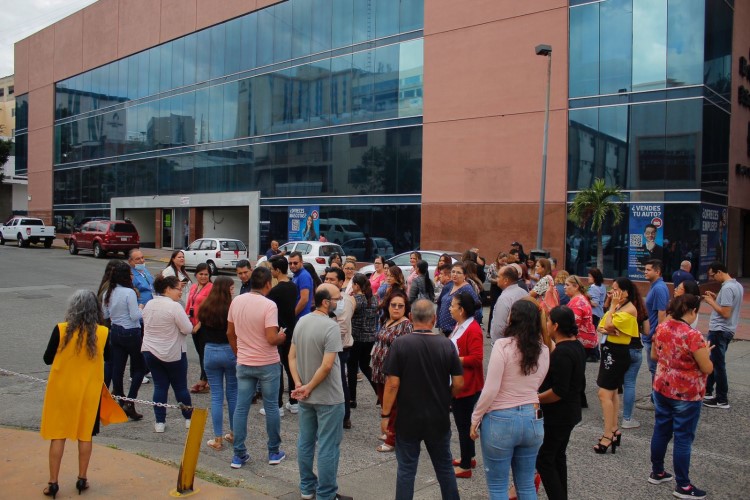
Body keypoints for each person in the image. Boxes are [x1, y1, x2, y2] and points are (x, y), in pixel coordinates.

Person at [381, 299, 464, 500]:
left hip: (408, 417)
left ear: (410, 317)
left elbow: (392, 384)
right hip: (438, 416)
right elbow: (459, 383)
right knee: (444, 467)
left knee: (406, 469)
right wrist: (446, 396)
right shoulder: (446, 345)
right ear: (434, 319)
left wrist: (385, 415)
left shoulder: (400, 344)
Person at [470, 300, 550, 499]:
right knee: (526, 485)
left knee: (498, 486)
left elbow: (491, 389)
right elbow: (538, 383)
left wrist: (476, 417)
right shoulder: (544, 350)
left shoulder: (503, 346)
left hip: (501, 418)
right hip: (532, 417)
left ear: (514, 318)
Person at [40, 290, 111, 498]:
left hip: (61, 391)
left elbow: (47, 358)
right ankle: (82, 478)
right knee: (85, 435)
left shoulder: (61, 329)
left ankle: (53, 482)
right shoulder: (103, 332)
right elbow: (108, 357)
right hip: (89, 392)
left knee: (58, 435)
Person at [289, 283, 352, 500]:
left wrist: (300, 384)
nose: (340, 301)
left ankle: (307, 488)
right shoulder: (330, 327)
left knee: (306, 442)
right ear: (326, 302)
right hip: (328, 397)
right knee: (328, 447)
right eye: (337, 298)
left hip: (306, 396)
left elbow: (291, 356)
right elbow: (327, 366)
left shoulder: (302, 321)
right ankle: (326, 493)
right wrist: (307, 386)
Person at [650, 294, 713, 499]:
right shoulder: (693, 335)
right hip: (686, 393)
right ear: (693, 311)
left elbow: (654, 355)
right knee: (683, 438)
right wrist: (706, 353)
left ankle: (657, 471)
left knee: (661, 430)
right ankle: (683, 485)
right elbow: (707, 368)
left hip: (662, 386)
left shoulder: (662, 327)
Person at [227, 267, 287, 469]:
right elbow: (271, 338)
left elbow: (230, 333)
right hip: (267, 362)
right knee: (271, 407)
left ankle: (239, 454)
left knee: (241, 408)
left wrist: (238, 352)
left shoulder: (237, 301)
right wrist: (281, 336)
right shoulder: (269, 305)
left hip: (245, 361)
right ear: (268, 284)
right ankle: (273, 451)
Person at [536, 306, 587, 500]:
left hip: (559, 415)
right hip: (569, 412)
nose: (547, 325)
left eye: (548, 321)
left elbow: (559, 391)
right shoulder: (576, 346)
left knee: (544, 460)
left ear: (556, 326)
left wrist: (535, 398)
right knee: (557, 456)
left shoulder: (563, 353)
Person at [141, 275, 194, 432]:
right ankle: (188, 418)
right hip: (173, 352)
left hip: (150, 350)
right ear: (168, 289)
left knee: (160, 386)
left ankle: (160, 422)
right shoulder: (174, 307)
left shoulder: (149, 304)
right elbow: (187, 328)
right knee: (180, 387)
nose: (180, 292)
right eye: (178, 289)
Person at [595, 277, 641, 453]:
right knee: (612, 392)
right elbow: (602, 326)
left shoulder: (629, 309)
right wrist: (609, 324)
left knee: (603, 393)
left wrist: (612, 309)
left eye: (615, 289)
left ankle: (608, 434)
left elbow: (608, 324)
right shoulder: (620, 307)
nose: (612, 293)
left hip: (617, 354)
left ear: (625, 292)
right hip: (610, 350)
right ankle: (613, 430)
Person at [197, 276, 238, 450]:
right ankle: (234, 433)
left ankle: (217, 438)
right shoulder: (232, 307)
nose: (233, 291)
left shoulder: (205, 306)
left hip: (210, 351)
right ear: (226, 289)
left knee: (216, 396)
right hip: (229, 350)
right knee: (233, 394)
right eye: (231, 288)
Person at [102, 261, 145, 421]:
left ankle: (120, 397)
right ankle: (130, 400)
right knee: (140, 368)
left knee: (118, 367)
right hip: (131, 332)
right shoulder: (129, 292)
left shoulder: (108, 292)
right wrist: (141, 308)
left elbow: (105, 314)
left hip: (115, 331)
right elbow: (135, 316)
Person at [371, 290, 413, 453]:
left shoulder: (406, 325)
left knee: (394, 407)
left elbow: (407, 351)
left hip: (393, 373)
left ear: (405, 308)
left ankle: (392, 439)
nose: (396, 308)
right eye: (393, 305)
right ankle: (388, 431)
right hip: (379, 371)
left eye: (400, 306)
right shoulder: (387, 320)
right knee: (385, 404)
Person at [448, 292, 484, 479]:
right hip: (460, 381)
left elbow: (477, 358)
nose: (450, 308)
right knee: (464, 423)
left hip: (467, 384)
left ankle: (465, 466)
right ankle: (468, 457)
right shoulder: (460, 325)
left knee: (463, 425)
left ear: (461, 310)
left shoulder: (473, 329)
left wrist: (454, 359)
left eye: (453, 305)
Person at [702, 261, 744, 409]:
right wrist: (716, 298)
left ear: (719, 272)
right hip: (727, 329)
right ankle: (707, 391)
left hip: (720, 329)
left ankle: (722, 399)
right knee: (714, 361)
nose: (713, 279)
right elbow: (728, 305)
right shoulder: (737, 285)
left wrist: (711, 302)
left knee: (718, 365)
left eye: (713, 275)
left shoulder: (727, 288)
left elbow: (725, 313)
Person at [323, 266, 355, 429]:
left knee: (340, 382)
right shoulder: (326, 299)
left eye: (332, 279)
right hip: (328, 346)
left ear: (341, 282)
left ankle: (344, 417)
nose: (328, 282)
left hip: (339, 348)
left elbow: (341, 328)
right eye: (326, 279)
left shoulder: (344, 301)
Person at [268, 256, 300, 415]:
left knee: (277, 368)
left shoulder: (275, 291)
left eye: (272, 269)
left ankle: (278, 404)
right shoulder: (293, 287)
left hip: (279, 331)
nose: (271, 272)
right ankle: (294, 401)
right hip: (292, 330)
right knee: (291, 366)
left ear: (278, 270)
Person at [638, 259, 670, 411]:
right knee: (654, 369)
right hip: (649, 335)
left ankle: (655, 400)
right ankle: (654, 396)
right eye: (645, 269)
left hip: (653, 336)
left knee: (655, 370)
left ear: (657, 272)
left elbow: (662, 314)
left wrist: (657, 335)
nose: (645, 272)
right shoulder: (655, 286)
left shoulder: (659, 288)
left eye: (648, 270)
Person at [347, 273, 379, 409]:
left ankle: (352, 399)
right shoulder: (373, 299)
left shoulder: (355, 299)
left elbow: (347, 316)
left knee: (352, 367)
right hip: (370, 338)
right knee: (365, 366)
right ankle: (380, 392)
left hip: (356, 338)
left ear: (356, 285)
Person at [185, 263, 212, 394]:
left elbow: (210, 309)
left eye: (206, 274)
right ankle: (205, 379)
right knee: (200, 352)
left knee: (204, 353)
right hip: (193, 323)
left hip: (204, 325)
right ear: (196, 274)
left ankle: (204, 380)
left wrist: (199, 324)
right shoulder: (194, 287)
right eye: (201, 274)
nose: (203, 276)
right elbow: (189, 305)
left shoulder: (211, 288)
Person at [436, 262, 481, 336]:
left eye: (458, 272)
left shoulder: (467, 289)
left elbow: (477, 310)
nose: (455, 274)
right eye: (453, 272)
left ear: (465, 275)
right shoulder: (452, 285)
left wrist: (464, 328)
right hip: (444, 329)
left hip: (455, 331)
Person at [489, 265, 528, 342]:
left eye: (498, 277)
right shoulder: (524, 292)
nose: (496, 279)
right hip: (524, 340)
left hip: (507, 343)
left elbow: (499, 327)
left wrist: (498, 343)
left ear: (506, 280)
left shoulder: (504, 298)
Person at [563, 275, 597, 360]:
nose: (564, 287)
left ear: (576, 287)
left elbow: (573, 324)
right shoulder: (580, 298)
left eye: (567, 285)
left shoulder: (578, 302)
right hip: (585, 340)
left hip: (580, 341)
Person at [587, 268, 606, 361]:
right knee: (593, 332)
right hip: (598, 313)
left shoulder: (594, 288)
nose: (588, 278)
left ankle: (593, 354)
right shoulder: (602, 286)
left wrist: (585, 298)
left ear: (595, 277)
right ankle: (595, 353)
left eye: (590, 276)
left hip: (593, 312)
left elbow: (595, 303)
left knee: (591, 333)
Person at [487, 252, 508, 332]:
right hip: (495, 288)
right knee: (493, 308)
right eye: (502, 260)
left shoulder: (506, 266)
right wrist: (497, 280)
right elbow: (488, 277)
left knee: (502, 308)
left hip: (503, 288)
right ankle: (489, 330)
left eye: (505, 261)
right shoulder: (493, 266)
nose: (503, 262)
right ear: (498, 258)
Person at [290, 251, 314, 319]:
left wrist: (293, 315)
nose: (292, 265)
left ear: (301, 262)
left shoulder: (303, 276)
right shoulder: (297, 275)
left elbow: (304, 299)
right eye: (290, 263)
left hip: (301, 317)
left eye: (295, 263)